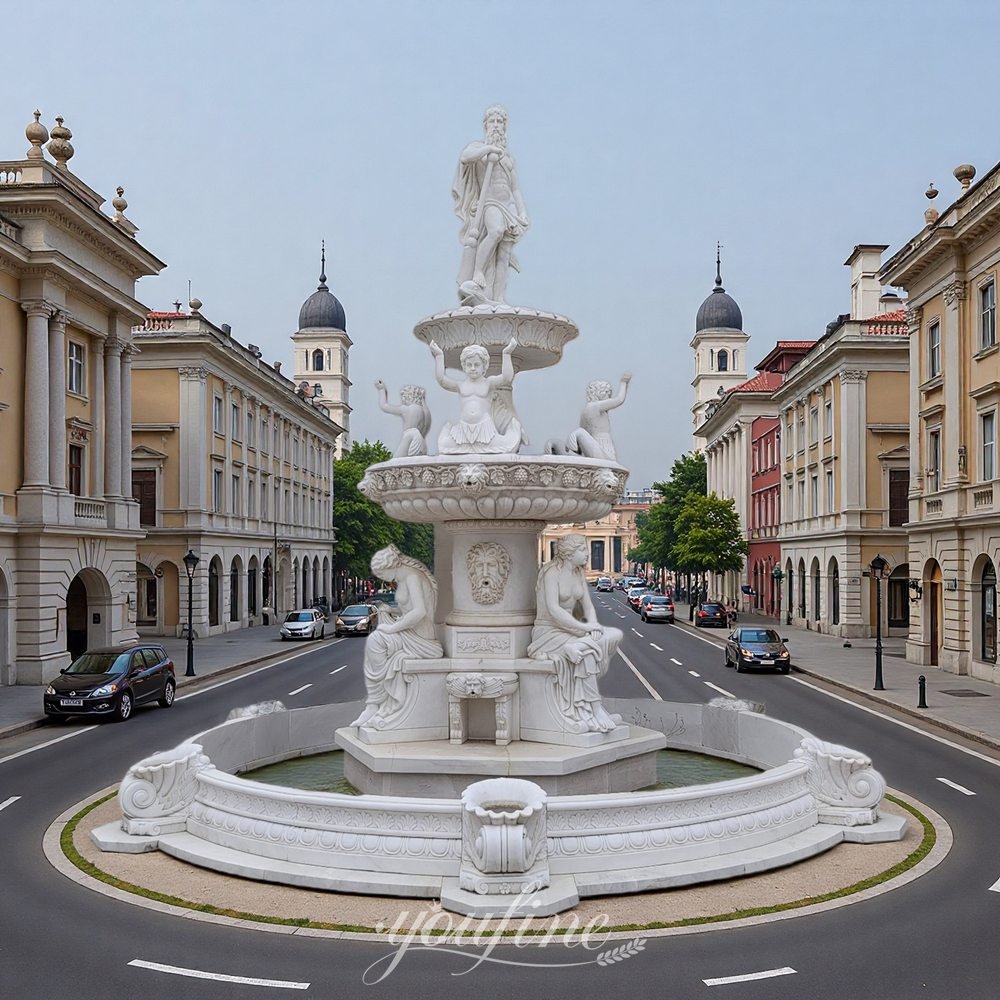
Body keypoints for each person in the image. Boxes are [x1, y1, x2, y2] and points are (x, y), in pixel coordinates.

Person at [528, 534, 622, 734]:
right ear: (570, 553)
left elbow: (588, 607)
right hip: (547, 632)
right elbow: (554, 610)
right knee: (587, 655)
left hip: (571, 633)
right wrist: (585, 629)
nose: (587, 554)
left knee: (614, 634)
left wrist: (594, 625)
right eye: (583, 550)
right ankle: (594, 710)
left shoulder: (578, 573)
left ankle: (577, 648)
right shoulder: (551, 573)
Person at [351, 546, 443, 729]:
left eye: (381, 574)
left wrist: (393, 628)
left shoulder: (412, 577)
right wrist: (391, 610)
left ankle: (376, 703)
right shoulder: (405, 577)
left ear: (389, 567)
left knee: (375, 640)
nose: (382, 579)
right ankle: (373, 704)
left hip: (421, 639)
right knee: (377, 638)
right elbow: (408, 608)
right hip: (412, 633)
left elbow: (419, 612)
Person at [453, 105, 530, 305]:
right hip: (490, 202)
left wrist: (522, 212)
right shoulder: (478, 149)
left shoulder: (508, 159)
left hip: (509, 207)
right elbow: (465, 157)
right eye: (492, 122)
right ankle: (478, 271)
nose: (496, 126)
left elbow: (515, 189)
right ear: (485, 125)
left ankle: (498, 298)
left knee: (504, 254)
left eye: (500, 122)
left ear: (504, 128)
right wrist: (489, 149)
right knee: (495, 230)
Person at [430, 338, 523, 454]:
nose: (473, 368)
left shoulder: (488, 383)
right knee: (444, 446)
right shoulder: (461, 385)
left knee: (504, 446)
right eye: (469, 365)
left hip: (485, 429)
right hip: (463, 430)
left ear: (484, 366)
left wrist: (507, 353)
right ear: (464, 366)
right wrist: (439, 356)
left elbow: (506, 377)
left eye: (476, 364)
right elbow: (442, 380)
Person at [545, 374, 631, 461]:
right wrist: (624, 382)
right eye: (607, 393)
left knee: (578, 451)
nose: (608, 397)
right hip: (605, 453)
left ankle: (557, 446)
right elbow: (619, 400)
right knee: (580, 433)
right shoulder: (595, 406)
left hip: (592, 450)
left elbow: (578, 447)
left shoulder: (585, 412)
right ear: (600, 393)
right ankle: (558, 446)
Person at [375, 380, 431, 458]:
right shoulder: (425, 412)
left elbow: (384, 406)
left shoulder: (406, 409)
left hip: (409, 437)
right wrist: (423, 399)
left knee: (395, 464)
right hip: (422, 442)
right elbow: (426, 427)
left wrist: (382, 390)